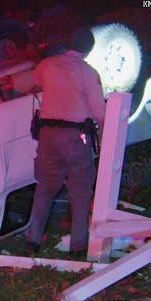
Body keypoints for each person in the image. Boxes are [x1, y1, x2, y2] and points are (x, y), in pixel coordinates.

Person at [20, 27, 106, 255]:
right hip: (76, 137)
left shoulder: (48, 65)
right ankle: (78, 247)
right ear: (89, 49)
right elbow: (100, 111)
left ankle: (33, 240)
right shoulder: (88, 72)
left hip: (48, 135)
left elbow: (30, 83)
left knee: (45, 187)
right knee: (80, 189)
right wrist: (107, 138)